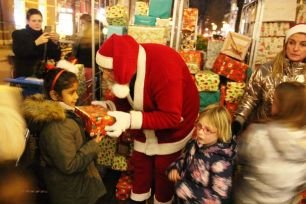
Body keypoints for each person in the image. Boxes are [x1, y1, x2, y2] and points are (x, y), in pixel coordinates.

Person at [95, 34, 199, 203]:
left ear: (120, 67)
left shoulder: (165, 69)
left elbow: (172, 117)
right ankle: (138, 199)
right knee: (141, 163)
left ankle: (162, 200)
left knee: (163, 169)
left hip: (175, 127)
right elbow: (127, 95)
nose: (105, 76)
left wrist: (129, 120)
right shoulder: (128, 62)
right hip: (147, 121)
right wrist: (109, 107)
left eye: (107, 71)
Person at [21, 68, 106, 204]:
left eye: (76, 91)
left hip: (77, 187)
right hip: (72, 193)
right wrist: (94, 144)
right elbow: (69, 165)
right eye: (71, 93)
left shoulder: (66, 116)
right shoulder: (57, 125)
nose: (77, 97)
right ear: (55, 95)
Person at [233, 81, 306, 204]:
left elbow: (237, 156)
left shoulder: (259, 134)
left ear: (281, 107)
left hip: (248, 198)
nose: (272, 104)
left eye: (275, 102)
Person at [232, 24, 306, 135]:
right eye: (291, 43)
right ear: (285, 45)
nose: (295, 49)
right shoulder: (266, 70)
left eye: (303, 45)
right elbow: (250, 97)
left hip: (296, 138)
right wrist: (239, 120)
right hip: (264, 132)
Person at [167, 104, 234, 204]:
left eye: (207, 130)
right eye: (199, 126)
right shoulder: (194, 144)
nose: (200, 132)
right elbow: (184, 159)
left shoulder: (221, 162)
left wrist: (186, 190)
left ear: (220, 132)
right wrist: (176, 168)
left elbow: (219, 198)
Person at [12, 8, 61, 78]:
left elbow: (56, 57)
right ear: (27, 21)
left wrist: (55, 42)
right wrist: (36, 43)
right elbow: (19, 52)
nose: (37, 23)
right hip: (26, 74)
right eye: (34, 21)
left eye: (39, 21)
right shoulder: (19, 34)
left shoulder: (45, 35)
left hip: (44, 73)